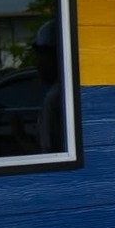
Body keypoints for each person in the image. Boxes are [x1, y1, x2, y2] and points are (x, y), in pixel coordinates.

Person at [32, 19, 68, 154]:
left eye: (41, 56)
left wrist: (19, 135)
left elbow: (48, 156)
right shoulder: (64, 92)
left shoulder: (55, 98)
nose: (38, 64)